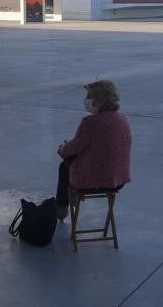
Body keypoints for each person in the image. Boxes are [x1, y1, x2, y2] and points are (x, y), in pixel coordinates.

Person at [53, 79, 132, 221]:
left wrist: (62, 149)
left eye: (89, 97)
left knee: (64, 166)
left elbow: (72, 149)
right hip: (118, 179)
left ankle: (61, 209)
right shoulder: (122, 118)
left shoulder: (91, 123)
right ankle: (69, 203)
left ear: (98, 100)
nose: (86, 100)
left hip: (94, 180)